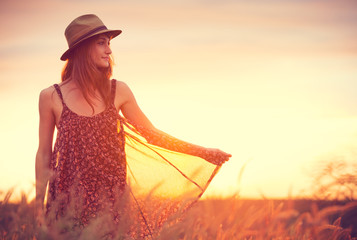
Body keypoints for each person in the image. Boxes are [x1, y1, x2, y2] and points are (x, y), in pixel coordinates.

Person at [35, 14, 231, 236]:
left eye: (109, 44)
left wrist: (202, 152)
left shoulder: (118, 91)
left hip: (111, 206)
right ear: (81, 49)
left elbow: (153, 135)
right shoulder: (51, 96)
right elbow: (44, 153)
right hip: (67, 206)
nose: (109, 50)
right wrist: (38, 207)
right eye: (101, 43)